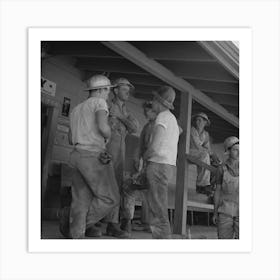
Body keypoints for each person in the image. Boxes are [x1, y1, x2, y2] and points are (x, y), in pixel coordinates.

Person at [65, 74, 120, 239]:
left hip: (76, 154)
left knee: (81, 199)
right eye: (107, 91)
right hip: (92, 155)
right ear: (101, 89)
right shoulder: (100, 103)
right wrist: (109, 133)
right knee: (110, 198)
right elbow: (103, 128)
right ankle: (73, 224)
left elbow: (69, 138)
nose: (108, 94)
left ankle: (76, 232)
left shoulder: (75, 109)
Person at [96, 77, 139, 238]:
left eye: (129, 88)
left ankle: (112, 224)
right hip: (106, 149)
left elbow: (135, 127)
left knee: (116, 187)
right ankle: (92, 222)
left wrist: (120, 117)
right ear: (115, 90)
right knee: (100, 185)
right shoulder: (107, 105)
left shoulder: (126, 111)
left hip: (120, 152)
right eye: (124, 88)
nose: (128, 91)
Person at [143, 86, 179, 239]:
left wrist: (145, 157)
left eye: (154, 100)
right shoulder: (172, 119)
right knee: (159, 205)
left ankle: (163, 241)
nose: (152, 103)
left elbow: (156, 146)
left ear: (159, 101)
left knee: (157, 208)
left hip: (158, 164)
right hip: (168, 165)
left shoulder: (163, 117)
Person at [212, 136, 239, 239]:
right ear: (228, 151)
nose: (239, 153)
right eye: (235, 150)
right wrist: (215, 213)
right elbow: (217, 191)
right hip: (225, 213)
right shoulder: (221, 169)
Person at [189, 112, 219, 195]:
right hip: (189, 151)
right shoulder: (192, 130)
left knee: (215, 163)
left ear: (205, 122)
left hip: (199, 154)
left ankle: (209, 186)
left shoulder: (206, 134)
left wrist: (214, 157)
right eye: (196, 120)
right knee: (205, 155)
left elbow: (207, 147)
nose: (197, 122)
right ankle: (201, 185)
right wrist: (211, 154)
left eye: (200, 120)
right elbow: (197, 145)